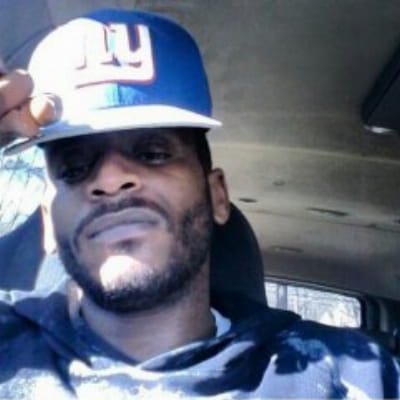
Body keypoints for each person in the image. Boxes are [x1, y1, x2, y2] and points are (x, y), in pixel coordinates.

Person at [0, 8, 398, 399]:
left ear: (217, 196)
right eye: (74, 168)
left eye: (153, 152)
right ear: (48, 221)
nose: (109, 178)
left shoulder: (358, 377)